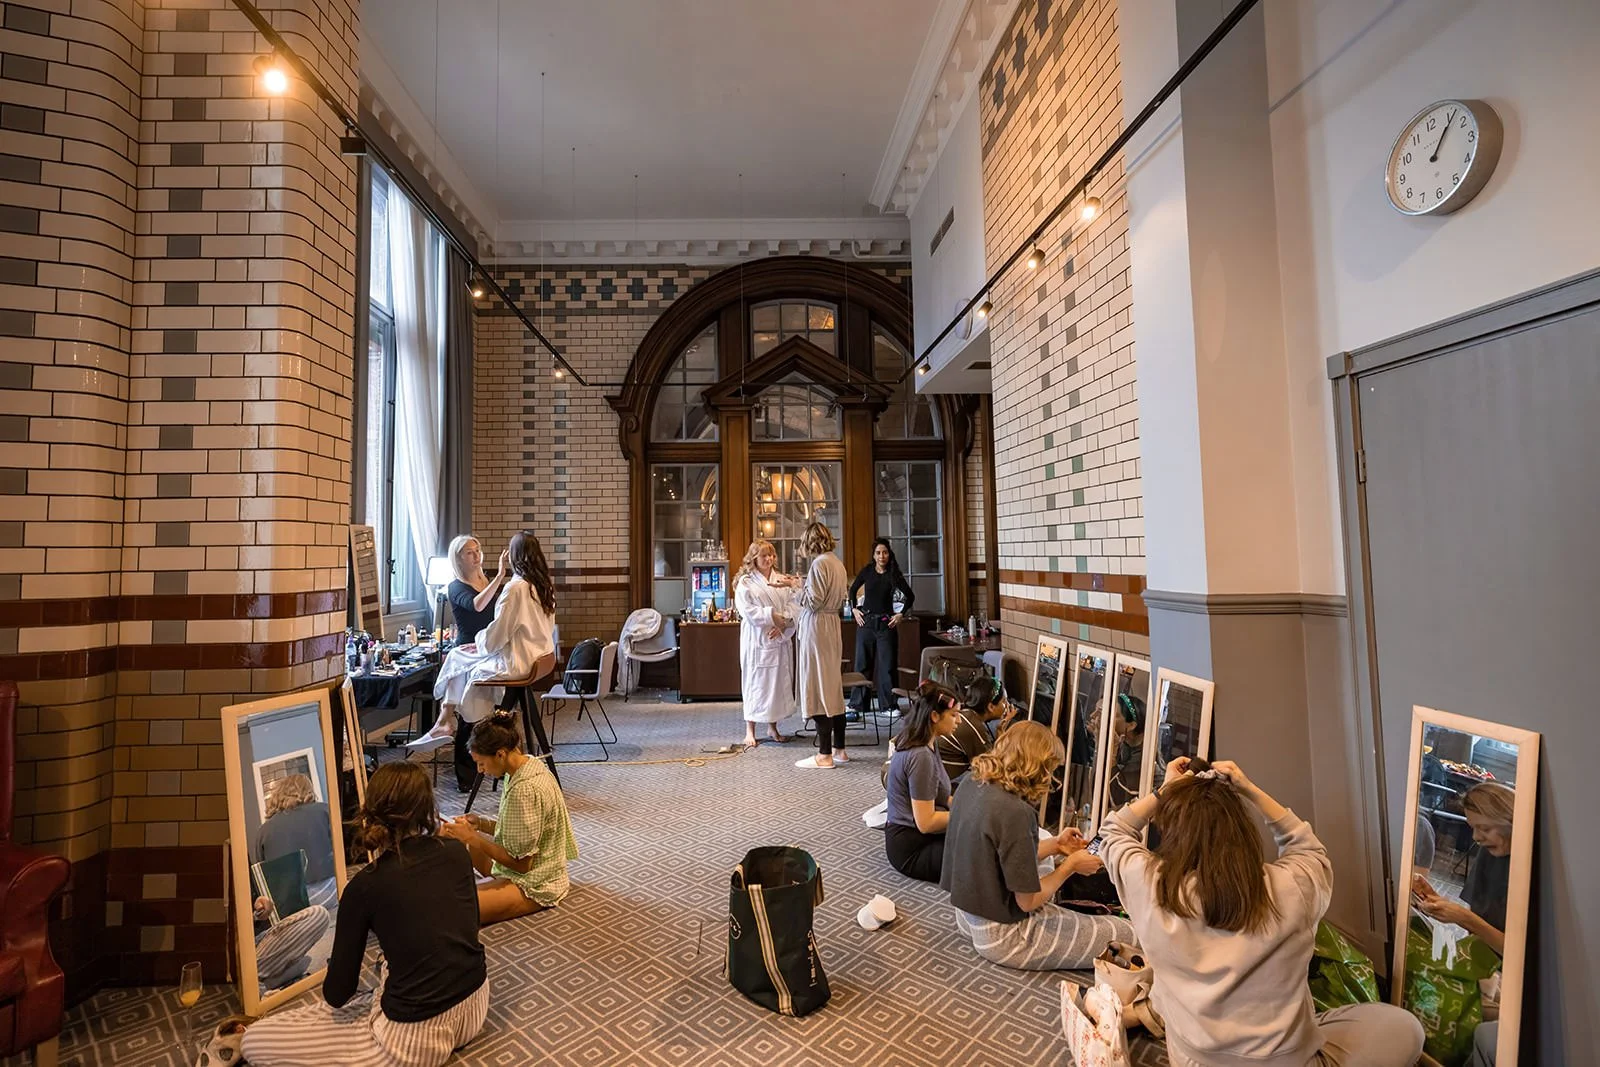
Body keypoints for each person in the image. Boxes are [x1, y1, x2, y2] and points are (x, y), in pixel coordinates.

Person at [1101, 757, 1424, 1067]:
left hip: (1192, 1058)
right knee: (1403, 1025)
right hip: (1283, 1060)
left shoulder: (1148, 883)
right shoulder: (1293, 887)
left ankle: (1139, 1014)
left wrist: (1164, 791)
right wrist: (1249, 789)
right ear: (1243, 831)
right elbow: (1307, 846)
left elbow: (1113, 832)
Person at [239, 763, 489, 1067]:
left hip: (415, 1041)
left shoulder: (365, 886)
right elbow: (465, 929)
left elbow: (336, 994)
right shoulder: (456, 852)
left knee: (254, 1041)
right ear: (427, 806)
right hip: (476, 1005)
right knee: (379, 980)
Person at [940, 721, 1134, 970]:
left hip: (968, 916)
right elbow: (1027, 902)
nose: (1051, 778)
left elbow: (995, 858)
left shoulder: (971, 782)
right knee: (1126, 933)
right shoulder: (1017, 813)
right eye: (1050, 770)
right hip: (1005, 936)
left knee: (1043, 848)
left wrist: (1055, 846)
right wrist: (1070, 867)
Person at [432, 530, 559, 791]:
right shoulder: (542, 585)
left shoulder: (515, 588)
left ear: (514, 557)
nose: (477, 556)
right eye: (471, 552)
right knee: (462, 662)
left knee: (464, 671)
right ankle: (449, 717)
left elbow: (495, 636)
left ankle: (455, 720)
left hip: (517, 663)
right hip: (537, 658)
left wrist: (480, 644)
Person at [439, 711, 578, 925]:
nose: (480, 770)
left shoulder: (524, 790)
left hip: (534, 882)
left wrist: (473, 838)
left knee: (450, 910)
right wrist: (481, 824)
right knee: (455, 831)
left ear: (501, 754)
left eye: (482, 763)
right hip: (523, 866)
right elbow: (517, 830)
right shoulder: (526, 764)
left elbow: (522, 865)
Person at [412, 534, 510, 744]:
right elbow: (477, 605)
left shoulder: (485, 580)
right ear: (458, 559)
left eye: (477, 550)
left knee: (457, 666)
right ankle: (446, 720)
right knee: (456, 662)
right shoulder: (455, 586)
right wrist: (500, 576)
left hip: (487, 644)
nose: (476, 555)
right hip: (468, 645)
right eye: (469, 552)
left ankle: (444, 719)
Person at [1412, 781, 1514, 955]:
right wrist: (1439, 903)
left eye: (1485, 829)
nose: (1476, 837)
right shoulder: (1489, 853)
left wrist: (1463, 917)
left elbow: (1517, 954)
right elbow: (1478, 927)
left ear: (1512, 823)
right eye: (1473, 828)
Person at [788, 522, 852, 770]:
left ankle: (824, 754)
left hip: (817, 626)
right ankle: (840, 749)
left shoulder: (819, 564)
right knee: (832, 684)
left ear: (810, 542)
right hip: (832, 623)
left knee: (817, 685)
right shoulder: (837, 562)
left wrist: (796, 587)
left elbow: (812, 601)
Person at [883, 685, 962, 882]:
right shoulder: (920, 756)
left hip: (919, 836)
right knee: (986, 857)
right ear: (935, 716)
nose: (959, 721)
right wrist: (968, 815)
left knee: (986, 840)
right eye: (954, 715)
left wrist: (969, 807)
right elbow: (926, 823)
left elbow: (943, 796)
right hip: (912, 848)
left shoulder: (929, 742)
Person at [732, 539, 797, 748]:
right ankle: (749, 729)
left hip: (778, 637)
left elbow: (793, 605)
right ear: (754, 559)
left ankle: (773, 727)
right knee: (755, 682)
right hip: (757, 639)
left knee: (776, 684)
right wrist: (772, 616)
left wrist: (783, 623)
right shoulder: (746, 582)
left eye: (771, 555)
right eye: (763, 555)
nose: (768, 559)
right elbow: (747, 610)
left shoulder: (781, 580)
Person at [848, 538, 916, 721]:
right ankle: (857, 704)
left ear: (889, 554)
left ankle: (888, 705)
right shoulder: (867, 571)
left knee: (887, 666)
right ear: (873, 555)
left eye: (884, 552)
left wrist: (900, 614)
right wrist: (854, 609)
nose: (881, 556)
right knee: (863, 664)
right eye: (878, 553)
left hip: (887, 624)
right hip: (866, 623)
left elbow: (910, 596)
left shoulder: (893, 574)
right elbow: (852, 590)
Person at [257, 773, 336, 889]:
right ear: (309, 790)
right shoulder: (325, 811)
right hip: (329, 888)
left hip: (289, 900)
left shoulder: (263, 832)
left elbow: (261, 876)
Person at [936, 675, 1017, 783]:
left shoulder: (966, 713)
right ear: (991, 707)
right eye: (1004, 701)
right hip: (943, 783)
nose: (1007, 705)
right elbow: (993, 767)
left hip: (939, 773)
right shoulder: (973, 727)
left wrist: (1000, 729)